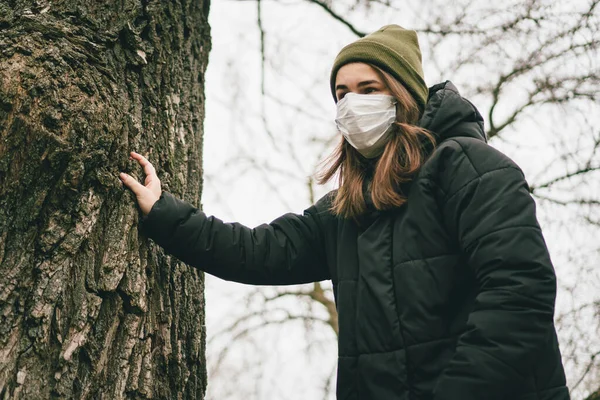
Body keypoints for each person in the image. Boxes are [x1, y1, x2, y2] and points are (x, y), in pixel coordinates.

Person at [119, 25, 570, 400]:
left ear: (402, 95)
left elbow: (519, 292)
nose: (352, 104)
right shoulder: (345, 212)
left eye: (367, 89)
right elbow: (255, 250)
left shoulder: (468, 167)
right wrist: (163, 212)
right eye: (341, 94)